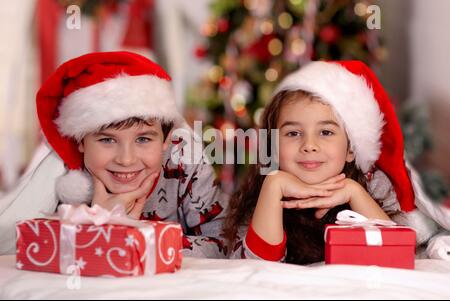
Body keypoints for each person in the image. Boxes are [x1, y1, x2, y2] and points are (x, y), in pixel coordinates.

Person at [0, 51, 229, 258]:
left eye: (143, 139)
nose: (126, 159)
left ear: (166, 140)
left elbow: (224, 243)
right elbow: (29, 247)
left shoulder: (186, 161)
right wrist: (97, 224)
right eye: (107, 140)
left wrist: (134, 238)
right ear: (80, 141)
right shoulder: (66, 182)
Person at [224, 60, 447, 263]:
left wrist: (353, 192)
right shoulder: (263, 191)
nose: (309, 145)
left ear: (351, 148)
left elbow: (397, 254)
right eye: (293, 133)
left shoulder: (374, 186)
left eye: (326, 132)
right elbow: (256, 267)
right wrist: (274, 186)